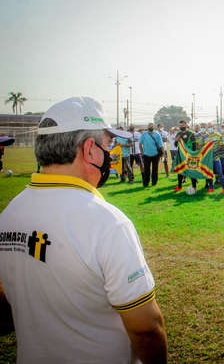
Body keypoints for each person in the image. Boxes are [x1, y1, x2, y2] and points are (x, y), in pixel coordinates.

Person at [0, 97, 167, 363]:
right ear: (90, 150)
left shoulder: (9, 214)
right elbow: (146, 328)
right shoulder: (107, 222)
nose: (110, 155)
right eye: (108, 145)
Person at [174, 120, 198, 192]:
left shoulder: (191, 134)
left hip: (189, 155)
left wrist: (192, 155)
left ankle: (194, 187)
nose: (182, 127)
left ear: (186, 125)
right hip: (181, 155)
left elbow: (194, 145)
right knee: (180, 171)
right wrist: (176, 141)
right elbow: (176, 145)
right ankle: (179, 186)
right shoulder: (178, 134)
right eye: (180, 126)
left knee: (191, 171)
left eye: (183, 125)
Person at [139, 123, 164, 187]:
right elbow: (140, 144)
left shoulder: (157, 134)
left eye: (152, 126)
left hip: (156, 155)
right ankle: (146, 183)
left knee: (155, 169)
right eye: (149, 126)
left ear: (153, 127)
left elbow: (161, 145)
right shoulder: (144, 134)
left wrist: (163, 154)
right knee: (146, 170)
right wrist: (142, 152)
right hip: (146, 154)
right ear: (148, 127)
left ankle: (154, 183)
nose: (150, 127)